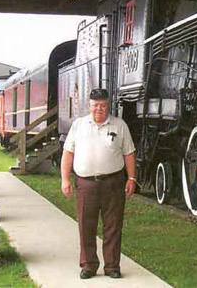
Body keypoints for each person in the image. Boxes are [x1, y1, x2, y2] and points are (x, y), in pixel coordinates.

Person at [61, 88, 136, 279]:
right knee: (86, 225)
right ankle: (88, 265)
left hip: (113, 183)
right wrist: (65, 179)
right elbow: (68, 153)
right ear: (89, 105)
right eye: (95, 105)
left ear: (108, 105)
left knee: (113, 225)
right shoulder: (78, 125)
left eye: (103, 105)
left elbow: (129, 153)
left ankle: (112, 266)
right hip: (85, 184)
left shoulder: (120, 125)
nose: (99, 109)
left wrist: (131, 178)